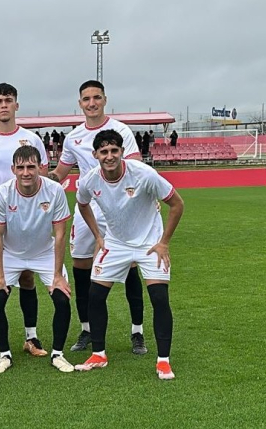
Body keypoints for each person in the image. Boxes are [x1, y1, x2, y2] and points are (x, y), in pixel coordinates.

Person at [48, 80, 148, 355]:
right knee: (81, 268)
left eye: (96, 97)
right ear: (80, 103)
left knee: (129, 266)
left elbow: (137, 167)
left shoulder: (121, 132)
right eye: (86, 99)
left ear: (104, 100)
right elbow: (62, 170)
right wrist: (46, 178)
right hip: (87, 208)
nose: (91, 103)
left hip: (120, 208)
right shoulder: (74, 137)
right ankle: (87, 329)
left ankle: (137, 332)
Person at [75, 130, 184, 380]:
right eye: (104, 152)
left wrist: (164, 243)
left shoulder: (144, 174)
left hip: (150, 243)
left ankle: (163, 361)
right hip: (115, 243)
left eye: (114, 151)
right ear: (96, 155)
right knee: (95, 295)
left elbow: (177, 204)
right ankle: (99, 354)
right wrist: (98, 236)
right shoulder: (90, 180)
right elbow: (82, 204)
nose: (109, 156)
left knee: (159, 297)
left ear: (122, 152)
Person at [0, 82, 50, 357]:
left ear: (16, 105)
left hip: (26, 219)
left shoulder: (32, 139)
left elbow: (45, 177)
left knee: (27, 277)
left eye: (9, 100)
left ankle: (32, 337)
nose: (4, 105)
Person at [0, 145, 73, 374]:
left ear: (40, 168)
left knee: (62, 299)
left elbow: (60, 234)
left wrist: (56, 276)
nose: (26, 172)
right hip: (11, 253)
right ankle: (4, 355)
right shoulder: (3, 192)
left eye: (31, 167)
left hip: (44, 252)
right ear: (13, 169)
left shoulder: (54, 191)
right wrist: (0, 276)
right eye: (21, 167)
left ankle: (57, 354)